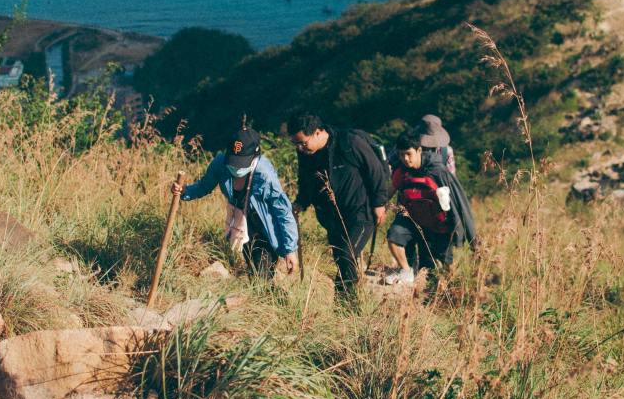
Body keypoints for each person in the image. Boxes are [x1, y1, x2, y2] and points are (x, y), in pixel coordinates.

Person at [287, 112, 390, 299]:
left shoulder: (349, 143)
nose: (300, 148)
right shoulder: (306, 153)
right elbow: (306, 180)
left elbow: (375, 170)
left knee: (346, 255)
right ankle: (353, 301)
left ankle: (345, 304)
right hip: (331, 216)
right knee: (342, 259)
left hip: (361, 212)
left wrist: (379, 202)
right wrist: (301, 202)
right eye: (296, 144)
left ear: (318, 132)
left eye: (303, 142)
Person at [172, 125, 299, 276]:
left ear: (255, 156)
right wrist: (185, 191)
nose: (236, 168)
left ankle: (269, 296)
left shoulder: (265, 176)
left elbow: (283, 212)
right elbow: (204, 186)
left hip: (265, 226)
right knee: (252, 265)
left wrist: (290, 249)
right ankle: (264, 293)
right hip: (241, 224)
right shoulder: (221, 164)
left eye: (241, 163)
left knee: (261, 271)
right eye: (233, 162)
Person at [384, 130, 475, 285]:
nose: (405, 159)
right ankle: (406, 272)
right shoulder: (402, 172)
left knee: (439, 267)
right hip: (411, 221)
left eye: (408, 154)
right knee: (393, 236)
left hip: (438, 226)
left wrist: (470, 237)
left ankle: (452, 289)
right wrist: (377, 208)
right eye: (401, 155)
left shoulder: (438, 171)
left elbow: (459, 203)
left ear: (419, 150)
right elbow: (388, 192)